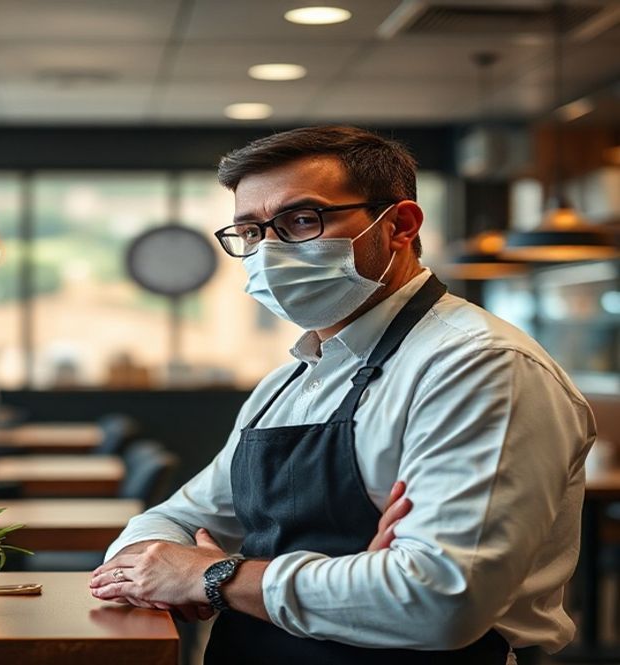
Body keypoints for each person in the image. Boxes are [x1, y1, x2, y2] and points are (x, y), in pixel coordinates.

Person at [89, 125, 595, 664]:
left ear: (400, 225)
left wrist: (214, 577)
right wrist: (151, 570)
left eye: (302, 220)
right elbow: (174, 519)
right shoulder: (289, 379)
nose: (270, 251)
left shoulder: (479, 366)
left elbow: (439, 600)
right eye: (252, 232)